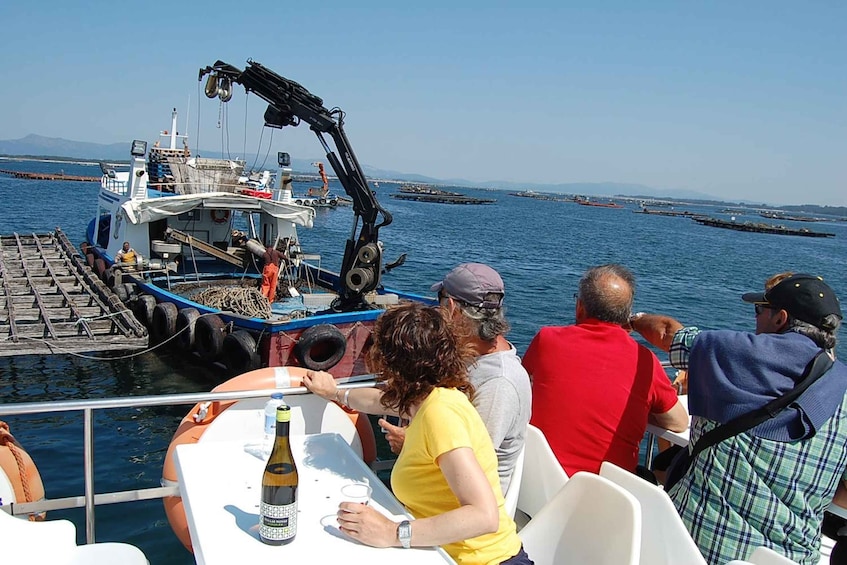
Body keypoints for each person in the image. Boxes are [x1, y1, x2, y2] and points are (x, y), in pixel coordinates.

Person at [630, 273, 847, 565]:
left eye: (760, 309)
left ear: (780, 318)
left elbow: (668, 333)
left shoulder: (729, 351)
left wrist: (633, 318)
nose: (755, 318)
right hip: (790, 558)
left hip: (696, 546)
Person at [303, 303, 532, 564]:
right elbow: (378, 401)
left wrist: (391, 532)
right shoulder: (430, 397)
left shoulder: (440, 414)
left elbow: (484, 516)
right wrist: (334, 393)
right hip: (443, 553)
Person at [522, 263, 688, 477]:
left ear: (580, 307)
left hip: (537, 483)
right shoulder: (645, 362)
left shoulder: (546, 340)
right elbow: (678, 422)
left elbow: (523, 389)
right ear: (625, 315)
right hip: (605, 496)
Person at [379, 263, 532, 494]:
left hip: (457, 508)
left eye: (440, 300)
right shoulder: (468, 356)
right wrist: (338, 393)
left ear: (451, 308)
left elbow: (472, 466)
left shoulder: (499, 383)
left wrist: (410, 444)